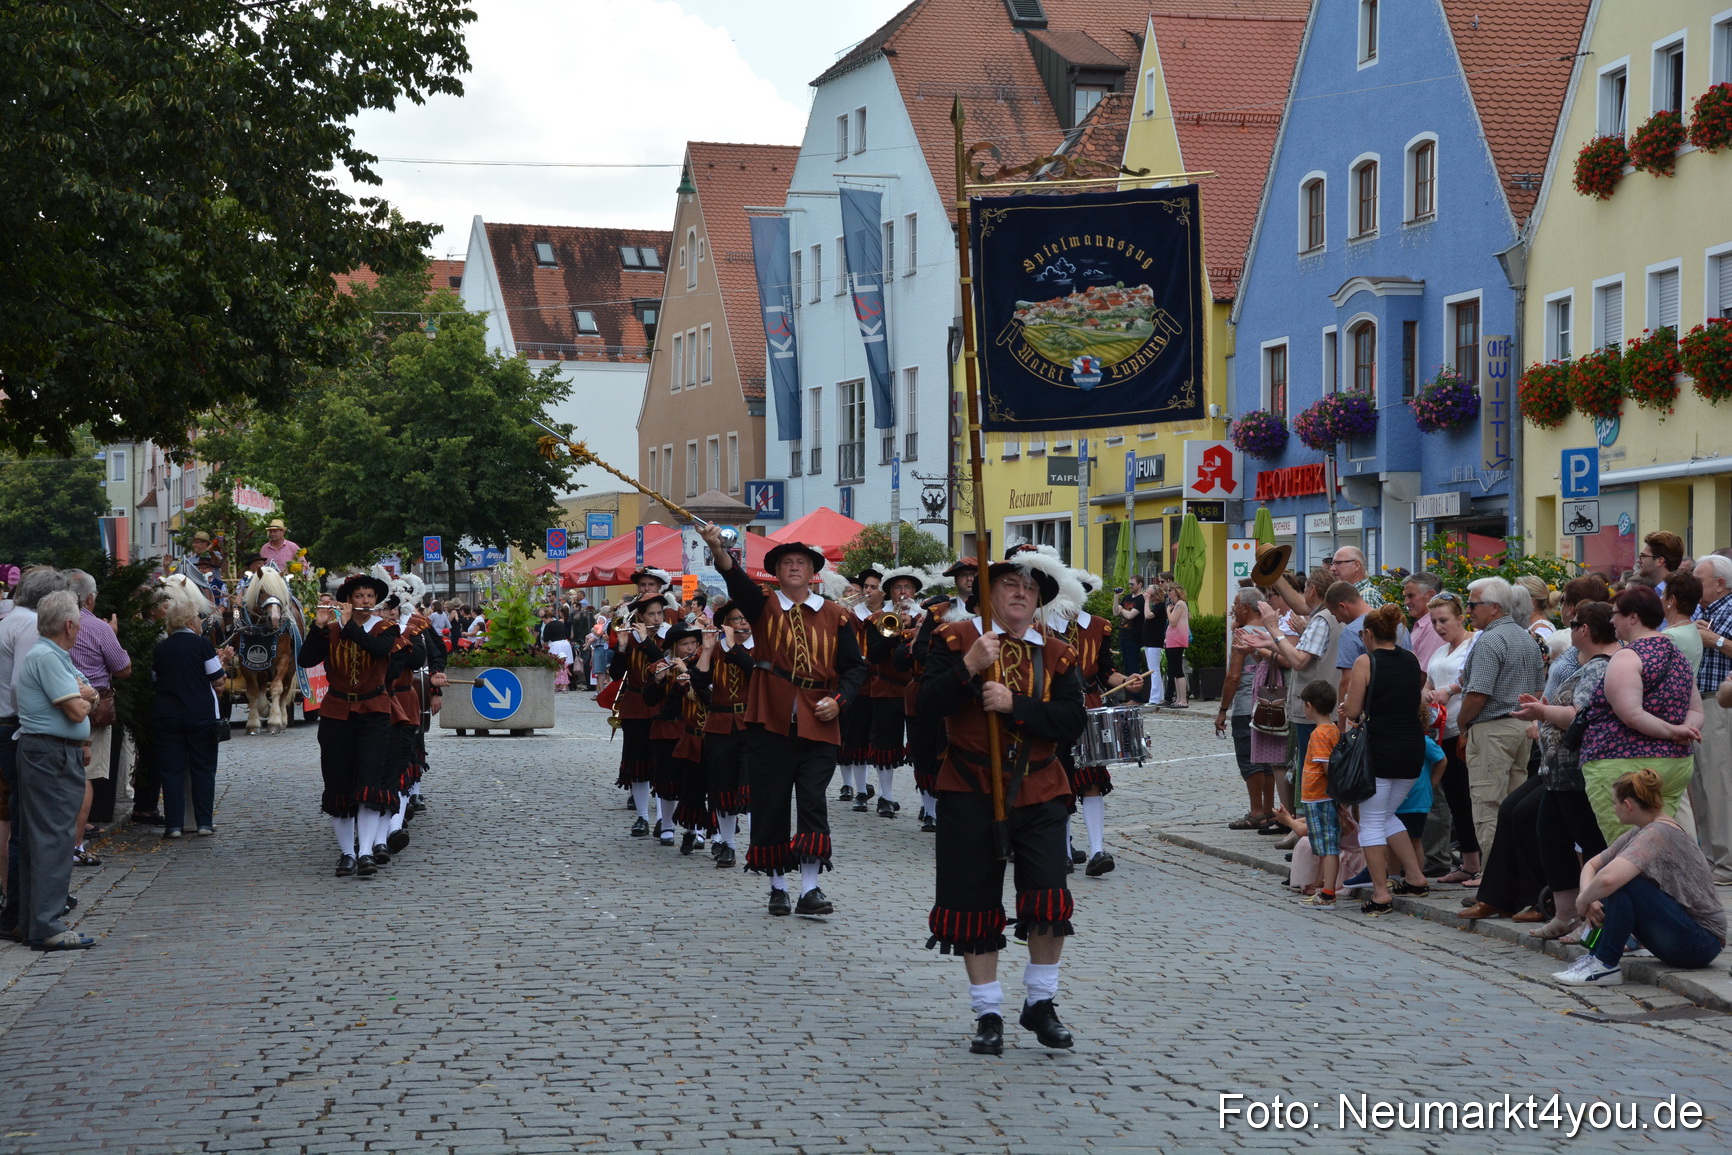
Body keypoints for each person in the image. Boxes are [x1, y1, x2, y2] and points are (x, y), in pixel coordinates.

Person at [918, 551, 1087, 1055]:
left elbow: (1071, 721)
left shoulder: (1057, 654)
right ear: (988, 593)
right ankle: (987, 1011)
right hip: (969, 787)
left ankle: (1041, 1002)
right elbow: (926, 708)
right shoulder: (954, 640)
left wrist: (1017, 706)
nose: (1020, 593)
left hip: (1040, 788)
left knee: (1048, 900)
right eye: (1010, 584)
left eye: (1030, 589)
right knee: (972, 902)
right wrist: (969, 668)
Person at [698, 525, 866, 916]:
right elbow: (734, 578)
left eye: (801, 562)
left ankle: (810, 888)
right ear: (776, 572)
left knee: (812, 802)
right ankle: (778, 886)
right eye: (787, 562)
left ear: (813, 572)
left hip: (819, 720)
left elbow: (855, 670)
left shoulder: (836, 615)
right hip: (769, 720)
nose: (794, 567)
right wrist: (717, 548)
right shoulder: (763, 606)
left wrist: (839, 701)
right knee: (771, 802)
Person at [1553, 768, 1726, 986]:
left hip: (1700, 943)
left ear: (1627, 805)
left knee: (1623, 882)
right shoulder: (1644, 829)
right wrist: (1590, 899)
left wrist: (1583, 900)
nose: (1613, 808)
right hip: (1685, 938)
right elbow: (1593, 865)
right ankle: (1596, 959)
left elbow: (1608, 879)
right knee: (1611, 883)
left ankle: (1605, 965)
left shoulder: (1658, 833)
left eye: (1614, 802)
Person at [1512, 600, 1617, 940]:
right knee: (1551, 836)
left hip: (1577, 772)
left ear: (1584, 629)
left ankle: (1592, 920)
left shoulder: (1600, 665)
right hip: (1559, 773)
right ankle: (1565, 914)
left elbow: (1578, 714)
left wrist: (1542, 712)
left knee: (1588, 843)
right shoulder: (1588, 662)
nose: (1569, 631)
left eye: (1572, 625)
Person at [1577, 585, 1701, 843]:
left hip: (1623, 765)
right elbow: (1695, 710)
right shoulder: (1677, 656)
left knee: (1629, 849)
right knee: (1663, 845)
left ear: (1633, 617)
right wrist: (1685, 730)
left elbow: (1631, 715)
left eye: (1615, 614)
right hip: (1674, 763)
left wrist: (1675, 730)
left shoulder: (1627, 657)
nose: (1612, 621)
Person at [296, 572, 400, 877]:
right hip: (337, 712)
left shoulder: (386, 628)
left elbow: (378, 650)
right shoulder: (330, 630)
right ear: (348, 600)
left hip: (374, 712)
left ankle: (366, 850)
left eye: (370, 597)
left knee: (368, 782)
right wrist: (319, 626)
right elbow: (305, 660)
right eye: (359, 597)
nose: (365, 601)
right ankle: (347, 853)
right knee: (338, 783)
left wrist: (347, 625)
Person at [11, 591, 99, 950]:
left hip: (51, 753)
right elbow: (78, 710)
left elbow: (90, 692)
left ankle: (36, 922)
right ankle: (46, 926)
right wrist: (84, 697)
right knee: (53, 840)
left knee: (43, 839)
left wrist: (85, 695)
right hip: (49, 754)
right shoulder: (48, 657)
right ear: (68, 624)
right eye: (78, 621)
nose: (80, 627)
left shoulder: (55, 656)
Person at [1050, 567, 1141, 877]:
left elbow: (1105, 672)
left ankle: (1098, 850)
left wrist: (1127, 681)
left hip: (1089, 708)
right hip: (1054, 711)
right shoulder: (1041, 628)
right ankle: (1061, 852)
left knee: (1092, 780)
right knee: (1057, 781)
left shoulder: (1098, 627)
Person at [1340, 603, 1430, 915]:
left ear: (1367, 634)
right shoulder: (1410, 659)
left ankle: (1380, 893)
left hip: (1380, 748)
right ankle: (1416, 877)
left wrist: (1345, 706)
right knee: (1388, 813)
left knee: (1372, 821)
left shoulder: (1366, 661)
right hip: (1411, 747)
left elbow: (1352, 712)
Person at [1456, 576, 1545, 865]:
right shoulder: (1526, 637)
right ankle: (1516, 879)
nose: (1469, 610)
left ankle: (1494, 881)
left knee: (1488, 807)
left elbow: (1478, 693)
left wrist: (1462, 722)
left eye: (1472, 605)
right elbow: (1538, 691)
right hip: (1521, 726)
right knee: (1513, 808)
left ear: (1494, 607)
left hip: (1493, 728)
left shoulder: (1490, 639)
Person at [1248, 568, 1340, 829]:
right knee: (1309, 768)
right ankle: (1305, 825)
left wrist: (1273, 630)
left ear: (1312, 590)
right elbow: (1300, 650)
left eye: (1306, 588)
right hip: (1319, 703)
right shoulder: (1324, 616)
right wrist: (1268, 639)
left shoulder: (1321, 618)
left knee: (1311, 772)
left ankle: (1310, 829)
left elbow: (1298, 660)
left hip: (1316, 706)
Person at [61, 570, 131, 865]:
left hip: (54, 705)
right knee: (85, 775)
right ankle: (77, 840)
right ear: (89, 598)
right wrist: (112, 635)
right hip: (91, 706)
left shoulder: (47, 623)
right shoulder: (98, 627)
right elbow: (123, 668)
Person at [150, 597, 228, 838]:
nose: (199, 621)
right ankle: (203, 822)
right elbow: (217, 678)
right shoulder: (201, 644)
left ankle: (173, 825)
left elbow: (155, 679)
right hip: (200, 715)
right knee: (203, 769)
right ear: (190, 621)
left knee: (171, 771)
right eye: (197, 617)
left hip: (167, 715)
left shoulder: (161, 648)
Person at [1422, 591, 1480, 882]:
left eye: (1444, 620)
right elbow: (1430, 681)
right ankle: (1469, 862)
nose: (1438, 627)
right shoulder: (1439, 651)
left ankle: (1480, 861)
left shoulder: (1475, 643)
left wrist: (1450, 690)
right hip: (1440, 732)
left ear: (1461, 618)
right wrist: (1427, 695)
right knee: (1455, 799)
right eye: (1433, 622)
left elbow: (1472, 675)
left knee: (1471, 797)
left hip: (1464, 729)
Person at [691, 600, 753, 868]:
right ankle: (727, 844)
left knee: (752, 787)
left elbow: (755, 672)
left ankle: (758, 844)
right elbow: (699, 682)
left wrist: (733, 647)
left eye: (746, 618)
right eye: (737, 619)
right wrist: (706, 650)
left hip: (752, 724)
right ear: (727, 624)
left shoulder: (763, 648)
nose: (743, 623)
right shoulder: (716, 649)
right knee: (723, 787)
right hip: (719, 723)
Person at [611, 593, 669, 836]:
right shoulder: (630, 639)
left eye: (659, 614)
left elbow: (662, 664)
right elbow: (615, 674)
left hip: (661, 706)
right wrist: (622, 648)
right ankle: (643, 817)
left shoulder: (668, 638)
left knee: (661, 763)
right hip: (635, 705)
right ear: (640, 617)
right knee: (638, 762)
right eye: (651, 614)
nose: (656, 618)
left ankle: (663, 818)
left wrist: (647, 641)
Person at [1220, 591, 1277, 831]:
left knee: (1249, 759)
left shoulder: (1242, 635)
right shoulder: (1272, 632)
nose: (1233, 610)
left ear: (1246, 607)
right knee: (1269, 760)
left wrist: (1223, 709)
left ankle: (1256, 812)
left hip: (1246, 705)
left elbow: (1233, 677)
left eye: (1235, 605)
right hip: (1270, 702)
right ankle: (1269, 809)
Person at [1295, 681, 1342, 908]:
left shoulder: (1320, 734)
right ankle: (1323, 885)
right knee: (1324, 846)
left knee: (1328, 847)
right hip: (1322, 798)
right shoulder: (1333, 729)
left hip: (1320, 798)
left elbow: (1326, 768)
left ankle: (1328, 894)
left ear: (1309, 706)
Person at [1402, 572, 1446, 674]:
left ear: (1431, 595)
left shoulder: (1433, 627)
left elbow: (1423, 674)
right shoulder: (1423, 624)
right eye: (1405, 596)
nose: (1406, 602)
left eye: (1411, 596)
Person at [1660, 572, 1704, 674]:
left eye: (1662, 595)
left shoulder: (1670, 635)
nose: (1660, 599)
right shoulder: (1692, 627)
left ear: (1671, 600)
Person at [1163, 580, 1190, 708]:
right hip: (1171, 640)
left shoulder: (1180, 604)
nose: (1167, 593)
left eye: (1170, 590)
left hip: (1177, 640)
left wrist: (1168, 611)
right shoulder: (1177, 605)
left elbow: (1173, 621)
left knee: (1178, 670)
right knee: (1174, 670)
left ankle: (1183, 699)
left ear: (1176, 591)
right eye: (1167, 590)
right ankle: (1178, 698)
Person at [1116, 575, 1146, 679]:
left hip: (1134, 637)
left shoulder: (1141, 599)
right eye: (1129, 584)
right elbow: (1115, 612)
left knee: (1133, 666)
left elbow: (1130, 615)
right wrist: (1116, 597)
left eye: (1132, 584)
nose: (1130, 586)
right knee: (1127, 667)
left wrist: (1122, 610)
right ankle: (1130, 692)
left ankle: (1136, 693)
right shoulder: (1126, 598)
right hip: (1124, 635)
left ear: (1140, 584)